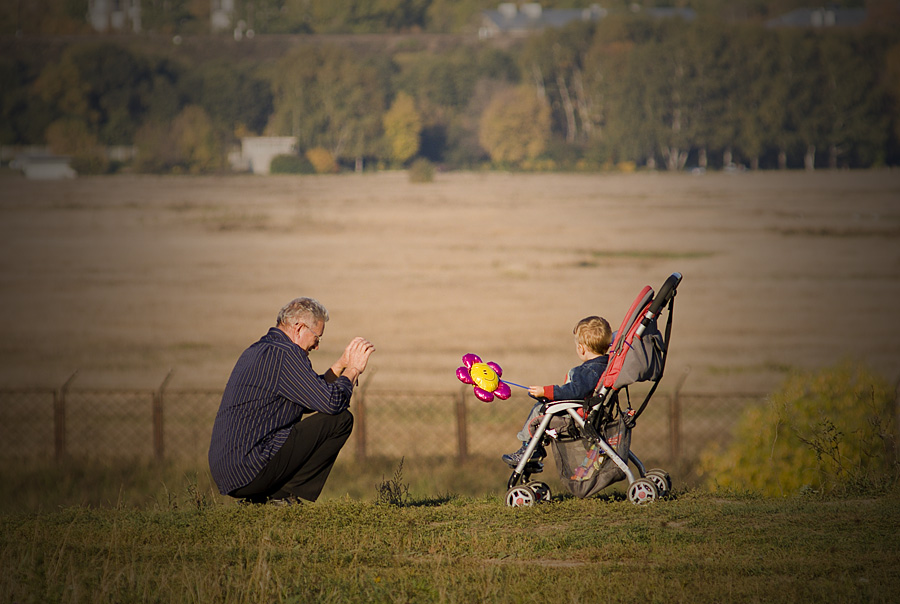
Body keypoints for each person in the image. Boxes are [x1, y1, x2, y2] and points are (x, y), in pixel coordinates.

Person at [209, 297, 374, 505]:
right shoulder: (286, 355)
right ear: (299, 328)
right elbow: (331, 403)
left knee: (332, 414)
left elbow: (310, 398)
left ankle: (260, 498)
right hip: (250, 469)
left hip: (232, 471)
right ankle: (280, 497)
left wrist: (341, 365)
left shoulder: (261, 350)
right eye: (317, 338)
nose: (316, 346)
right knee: (340, 420)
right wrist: (354, 370)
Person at [501, 315, 612, 468]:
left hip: (573, 416)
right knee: (544, 407)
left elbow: (574, 391)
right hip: (585, 411)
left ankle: (529, 449)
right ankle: (534, 452)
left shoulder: (586, 371)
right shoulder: (605, 366)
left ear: (582, 348)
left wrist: (546, 392)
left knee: (538, 411)